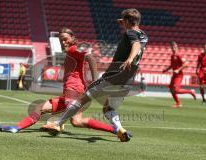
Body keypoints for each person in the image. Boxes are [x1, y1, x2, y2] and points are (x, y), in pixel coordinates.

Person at [46, 8, 148, 142]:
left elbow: (135, 45)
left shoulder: (130, 33)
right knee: (108, 108)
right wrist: (125, 22)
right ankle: (120, 129)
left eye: (124, 21)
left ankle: (57, 124)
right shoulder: (144, 35)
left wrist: (129, 59)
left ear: (128, 21)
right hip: (128, 80)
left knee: (82, 99)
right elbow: (138, 41)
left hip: (114, 75)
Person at [0, 27, 116, 135]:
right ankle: (16, 128)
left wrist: (95, 80)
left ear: (72, 38)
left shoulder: (73, 49)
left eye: (65, 39)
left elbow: (90, 57)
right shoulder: (71, 51)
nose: (63, 42)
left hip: (74, 90)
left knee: (74, 119)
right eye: (60, 40)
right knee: (42, 109)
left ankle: (56, 125)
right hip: (73, 91)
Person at [163, 42, 196, 108]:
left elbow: (186, 64)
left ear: (177, 47)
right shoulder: (172, 56)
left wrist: (178, 69)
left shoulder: (179, 55)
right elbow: (172, 65)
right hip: (174, 75)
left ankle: (191, 91)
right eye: (172, 46)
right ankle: (178, 103)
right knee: (171, 90)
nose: (173, 48)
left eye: (174, 46)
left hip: (179, 75)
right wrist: (166, 70)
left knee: (176, 90)